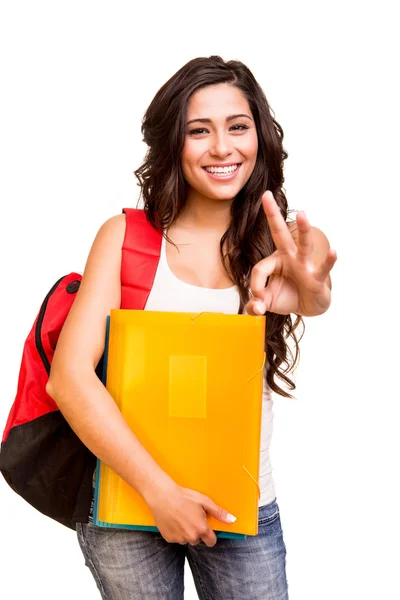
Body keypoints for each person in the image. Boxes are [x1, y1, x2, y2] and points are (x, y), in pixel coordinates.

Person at [46, 55, 337, 600]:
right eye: (198, 130)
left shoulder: (276, 240)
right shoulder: (124, 237)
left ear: (260, 137)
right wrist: (161, 494)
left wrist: (313, 286)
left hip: (240, 502)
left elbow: (314, 274)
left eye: (238, 126)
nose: (222, 147)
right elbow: (69, 379)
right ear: (171, 143)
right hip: (130, 502)